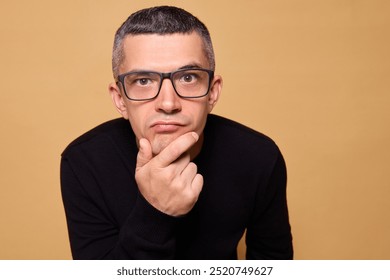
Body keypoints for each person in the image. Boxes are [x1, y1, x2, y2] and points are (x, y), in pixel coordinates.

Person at [60, 5, 293, 260]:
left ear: (212, 92)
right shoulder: (84, 162)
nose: (168, 103)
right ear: (120, 99)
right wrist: (155, 212)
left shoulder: (259, 158)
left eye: (189, 78)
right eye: (143, 81)